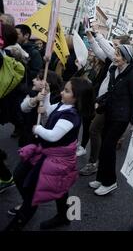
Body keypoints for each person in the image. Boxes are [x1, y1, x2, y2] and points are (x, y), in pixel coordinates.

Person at [4, 77, 94, 231]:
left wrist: (37, 129)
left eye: (66, 91)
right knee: (28, 177)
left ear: (77, 98)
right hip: (46, 152)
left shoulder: (71, 116)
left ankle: (22, 217)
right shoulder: (63, 104)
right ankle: (63, 215)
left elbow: (53, 136)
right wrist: (46, 94)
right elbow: (49, 109)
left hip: (55, 158)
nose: (61, 92)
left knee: (34, 191)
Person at [89, 45, 133, 196]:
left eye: (118, 55)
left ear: (126, 58)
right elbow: (111, 91)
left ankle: (110, 182)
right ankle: (100, 178)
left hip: (122, 118)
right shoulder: (113, 70)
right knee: (105, 145)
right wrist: (100, 100)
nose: (114, 57)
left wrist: (132, 122)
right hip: (110, 113)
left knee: (108, 147)